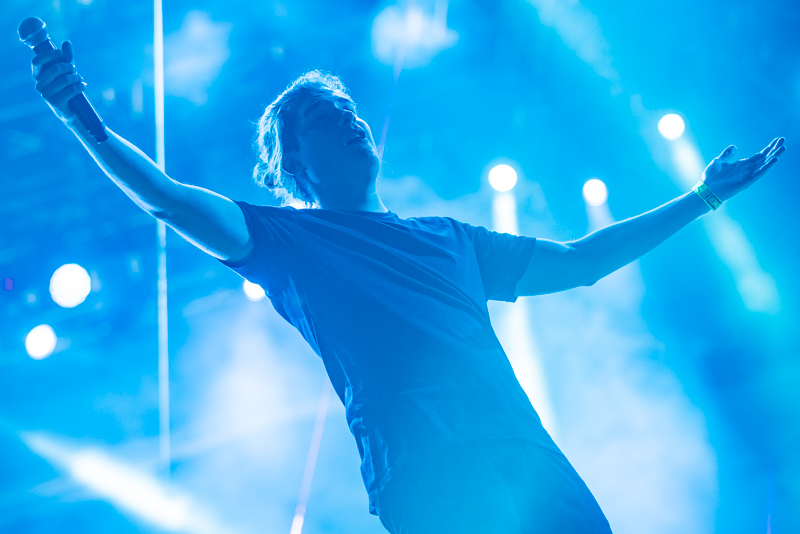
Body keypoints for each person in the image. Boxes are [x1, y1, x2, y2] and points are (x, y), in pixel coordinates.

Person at [30, 41, 784, 534]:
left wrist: (703, 198)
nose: (350, 119)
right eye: (324, 118)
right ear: (296, 167)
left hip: (527, 457)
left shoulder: (449, 238)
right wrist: (78, 114)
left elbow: (580, 260)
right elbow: (167, 199)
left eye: (349, 109)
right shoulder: (286, 243)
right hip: (429, 470)